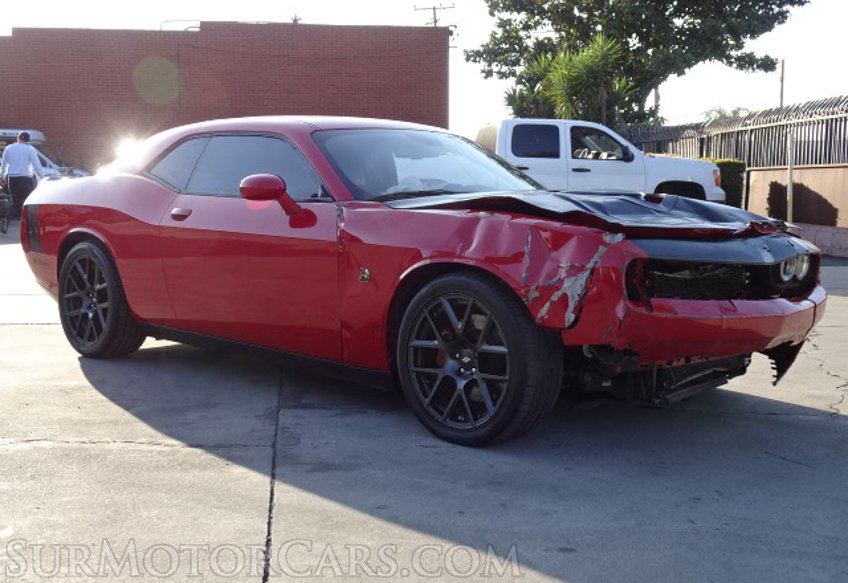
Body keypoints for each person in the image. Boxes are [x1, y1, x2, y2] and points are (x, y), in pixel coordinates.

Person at [0, 131, 44, 234]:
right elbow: (37, 166)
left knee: (15, 203)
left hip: (12, 179)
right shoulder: (30, 149)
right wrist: (43, 178)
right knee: (29, 202)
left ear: (18, 138)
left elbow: (4, 165)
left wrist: (2, 177)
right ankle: (30, 228)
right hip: (26, 179)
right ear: (28, 141)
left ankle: (6, 219)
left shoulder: (8, 148)